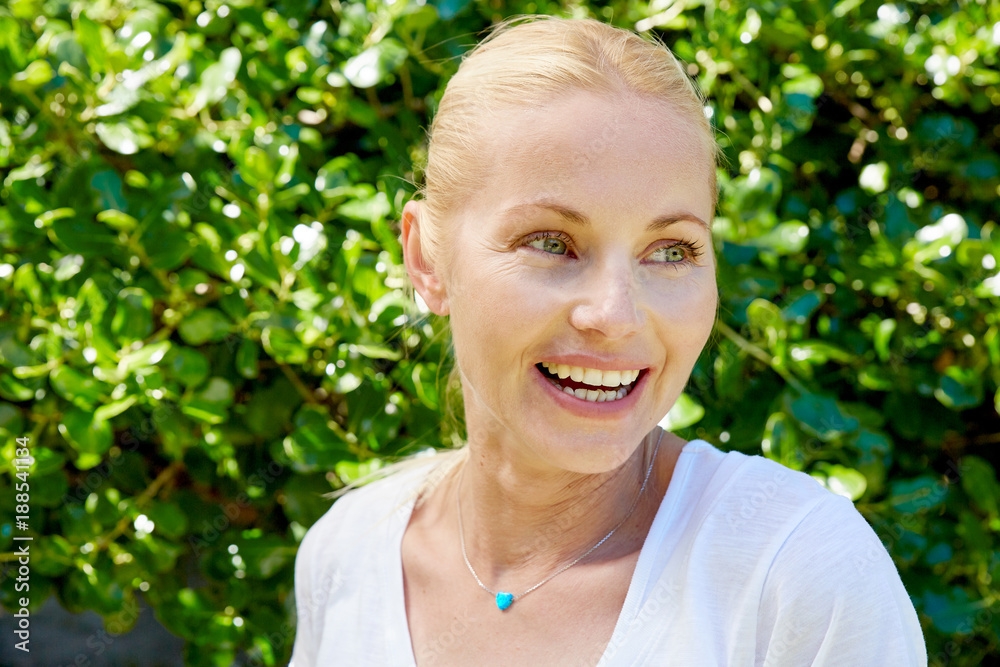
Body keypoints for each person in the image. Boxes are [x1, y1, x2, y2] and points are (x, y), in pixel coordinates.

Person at [291, 16, 926, 666]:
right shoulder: (347, 555)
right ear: (426, 259)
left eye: (670, 250)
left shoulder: (793, 570)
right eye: (549, 243)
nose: (615, 314)